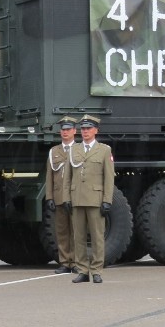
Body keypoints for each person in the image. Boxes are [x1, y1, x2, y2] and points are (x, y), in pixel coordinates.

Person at [63, 115, 114, 284]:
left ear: (96, 131)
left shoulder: (104, 150)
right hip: (77, 198)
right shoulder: (74, 150)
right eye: (83, 129)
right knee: (78, 237)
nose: (85, 131)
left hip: (95, 199)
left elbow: (108, 178)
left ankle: (97, 270)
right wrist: (66, 198)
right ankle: (82, 270)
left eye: (88, 128)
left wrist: (107, 200)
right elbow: (67, 177)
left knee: (97, 237)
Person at [45, 116, 77, 274]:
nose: (65, 132)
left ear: (74, 131)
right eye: (63, 130)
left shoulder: (79, 150)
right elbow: (49, 176)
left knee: (77, 230)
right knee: (62, 231)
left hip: (75, 197)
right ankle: (65, 262)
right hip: (58, 197)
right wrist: (49, 197)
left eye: (68, 130)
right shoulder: (54, 152)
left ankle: (77, 262)